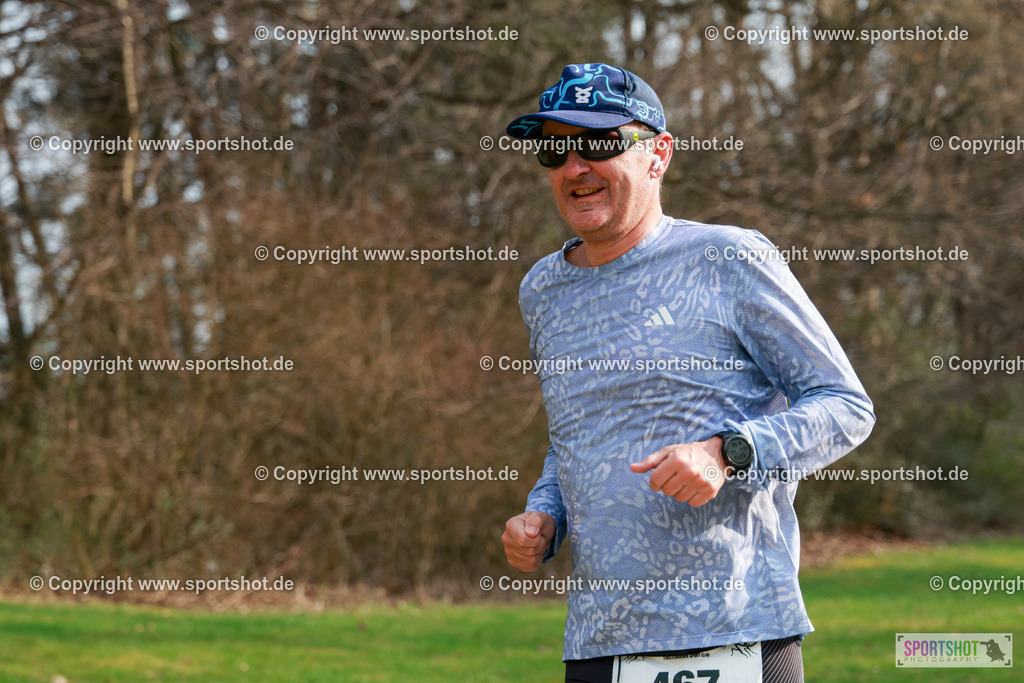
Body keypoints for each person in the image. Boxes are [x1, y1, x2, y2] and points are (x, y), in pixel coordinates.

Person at [500, 63, 875, 683]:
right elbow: (577, 436)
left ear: (658, 155)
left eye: (598, 143)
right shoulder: (543, 288)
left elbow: (845, 405)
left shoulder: (729, 258)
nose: (575, 167)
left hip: (736, 632)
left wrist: (727, 453)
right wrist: (545, 515)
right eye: (555, 148)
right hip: (600, 642)